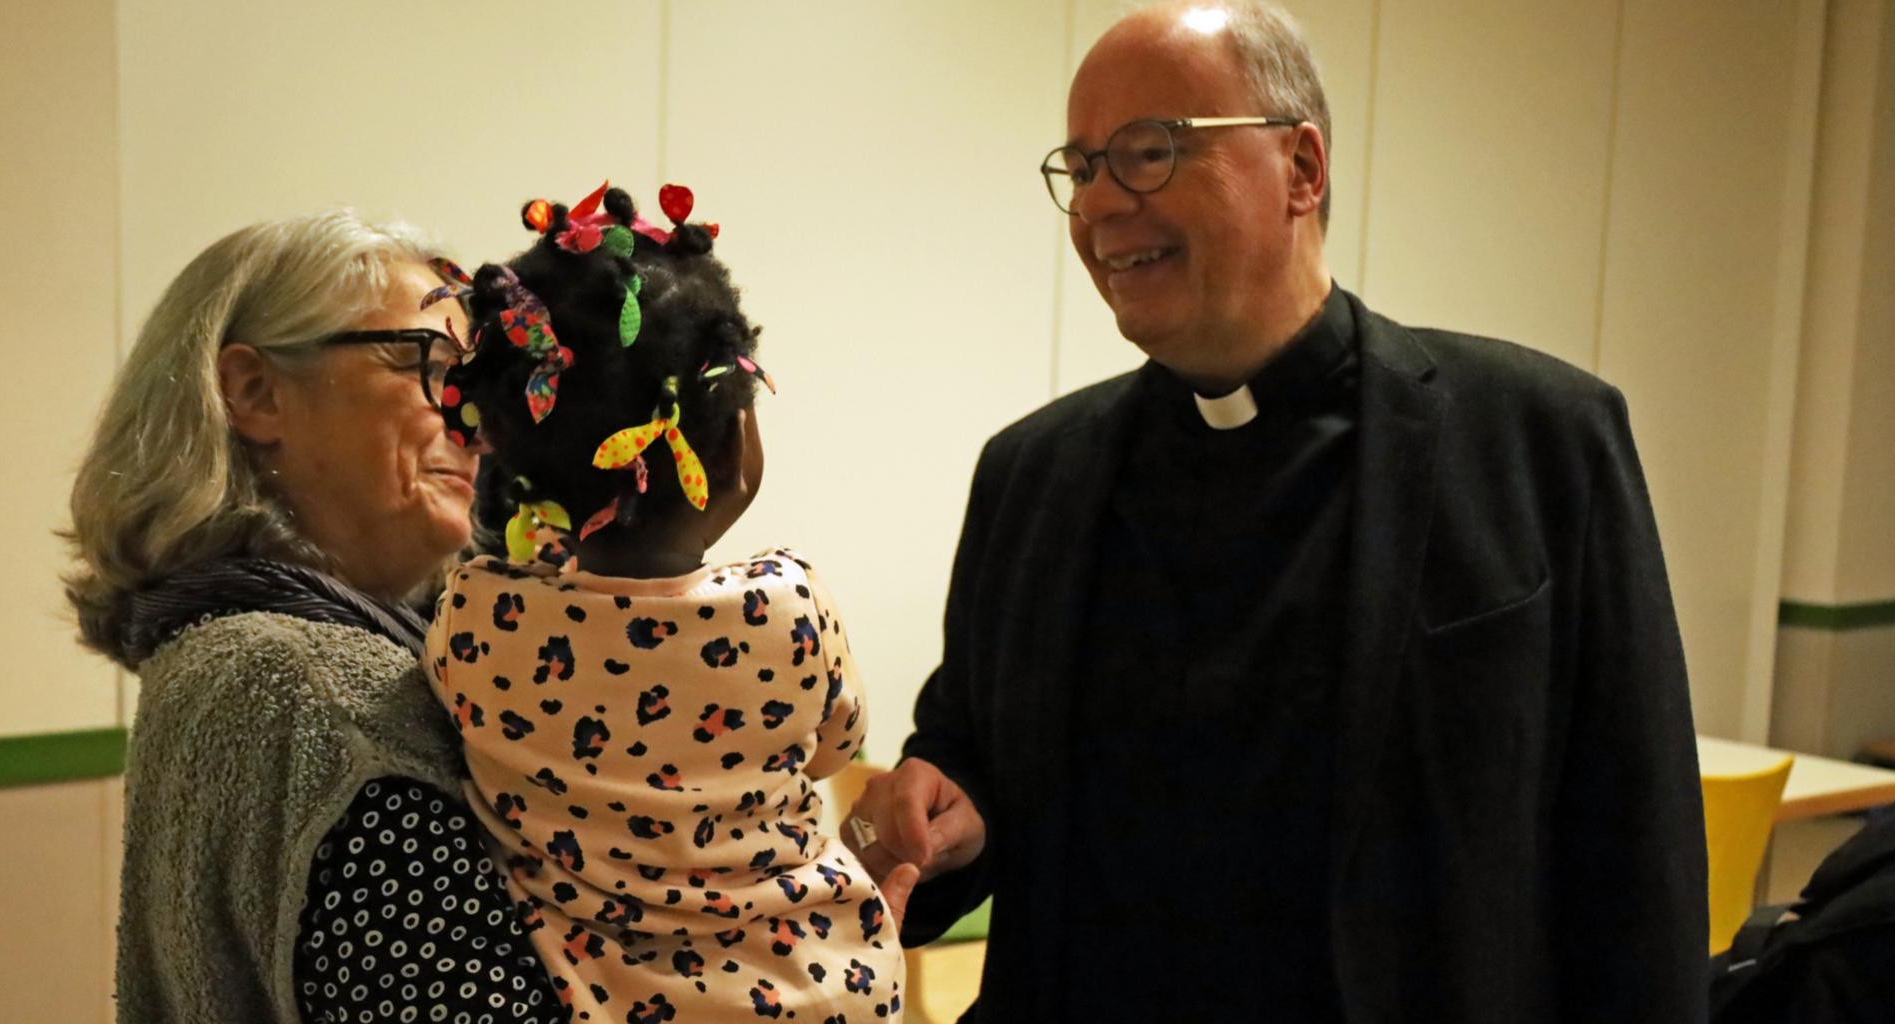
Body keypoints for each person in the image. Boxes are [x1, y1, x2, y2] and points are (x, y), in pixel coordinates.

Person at [843, 3, 1708, 1021]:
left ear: (1302, 167)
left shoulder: (1538, 442)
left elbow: (1636, 857)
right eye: (1079, 169)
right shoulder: (1030, 475)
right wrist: (935, 815)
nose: (1101, 204)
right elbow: (968, 760)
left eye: (1150, 152)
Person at [421, 183, 912, 1023]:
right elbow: (840, 746)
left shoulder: (475, 616)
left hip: (596, 1003)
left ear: (504, 447)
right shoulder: (789, 606)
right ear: (737, 440)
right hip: (822, 993)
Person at [65, 210, 568, 1024]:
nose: (478, 426)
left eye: (479, 389)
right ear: (258, 394)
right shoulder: (326, 694)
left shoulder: (228, 654)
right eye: (431, 367)